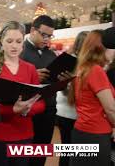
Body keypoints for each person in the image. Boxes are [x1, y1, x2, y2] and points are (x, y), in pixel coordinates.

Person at [0, 21, 45, 166]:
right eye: (9, 41)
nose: (14, 46)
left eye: (18, 41)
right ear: (1, 42)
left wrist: (29, 108)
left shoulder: (30, 69)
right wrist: (13, 110)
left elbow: (41, 103)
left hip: (24, 136)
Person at [20, 15, 72, 166]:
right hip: (27, 111)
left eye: (50, 36)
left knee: (41, 152)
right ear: (32, 31)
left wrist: (64, 81)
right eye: (44, 35)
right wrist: (32, 76)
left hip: (49, 110)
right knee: (24, 154)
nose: (47, 39)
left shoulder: (50, 54)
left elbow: (56, 84)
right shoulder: (20, 50)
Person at [68, 30, 115, 166]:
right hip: (96, 135)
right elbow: (111, 108)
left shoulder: (83, 68)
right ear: (102, 47)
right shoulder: (96, 70)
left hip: (83, 132)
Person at [55, 31, 88, 166]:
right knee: (71, 151)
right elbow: (62, 88)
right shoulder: (77, 62)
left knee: (68, 149)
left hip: (65, 112)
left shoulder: (69, 59)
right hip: (71, 113)